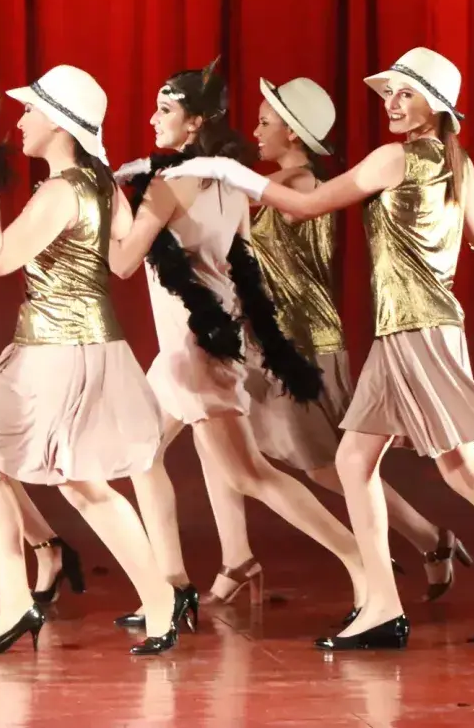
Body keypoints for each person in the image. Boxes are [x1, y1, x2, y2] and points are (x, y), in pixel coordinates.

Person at [163, 47, 474, 655]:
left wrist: (232, 172)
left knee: (462, 470)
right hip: (420, 328)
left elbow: (309, 204)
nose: (392, 104)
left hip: (415, 330)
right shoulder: (459, 163)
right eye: (390, 93)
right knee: (360, 462)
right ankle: (385, 605)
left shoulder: (393, 158)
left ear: (436, 105)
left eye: (406, 93)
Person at [0, 65, 181, 654]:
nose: (19, 121)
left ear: (60, 123)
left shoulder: (61, 190)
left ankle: (19, 604)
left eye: (30, 110)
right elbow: (121, 263)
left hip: (56, 352)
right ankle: (159, 601)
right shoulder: (97, 183)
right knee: (78, 483)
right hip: (89, 347)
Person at [109, 62, 368, 638]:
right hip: (200, 346)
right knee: (142, 454)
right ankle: (172, 585)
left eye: (165, 110)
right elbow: (242, 265)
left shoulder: (167, 186)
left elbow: (123, 261)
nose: (152, 119)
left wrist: (104, 205)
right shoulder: (226, 183)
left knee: (250, 474)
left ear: (195, 122)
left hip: (194, 352)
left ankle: (362, 561)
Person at [200, 76, 458, 606]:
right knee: (221, 439)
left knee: (327, 465)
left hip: (300, 342)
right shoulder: (285, 181)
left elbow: (255, 207)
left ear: (293, 133)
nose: (255, 132)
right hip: (267, 338)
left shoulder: (297, 183)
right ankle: (235, 557)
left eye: (265, 123)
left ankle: (421, 540)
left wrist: (208, 174)